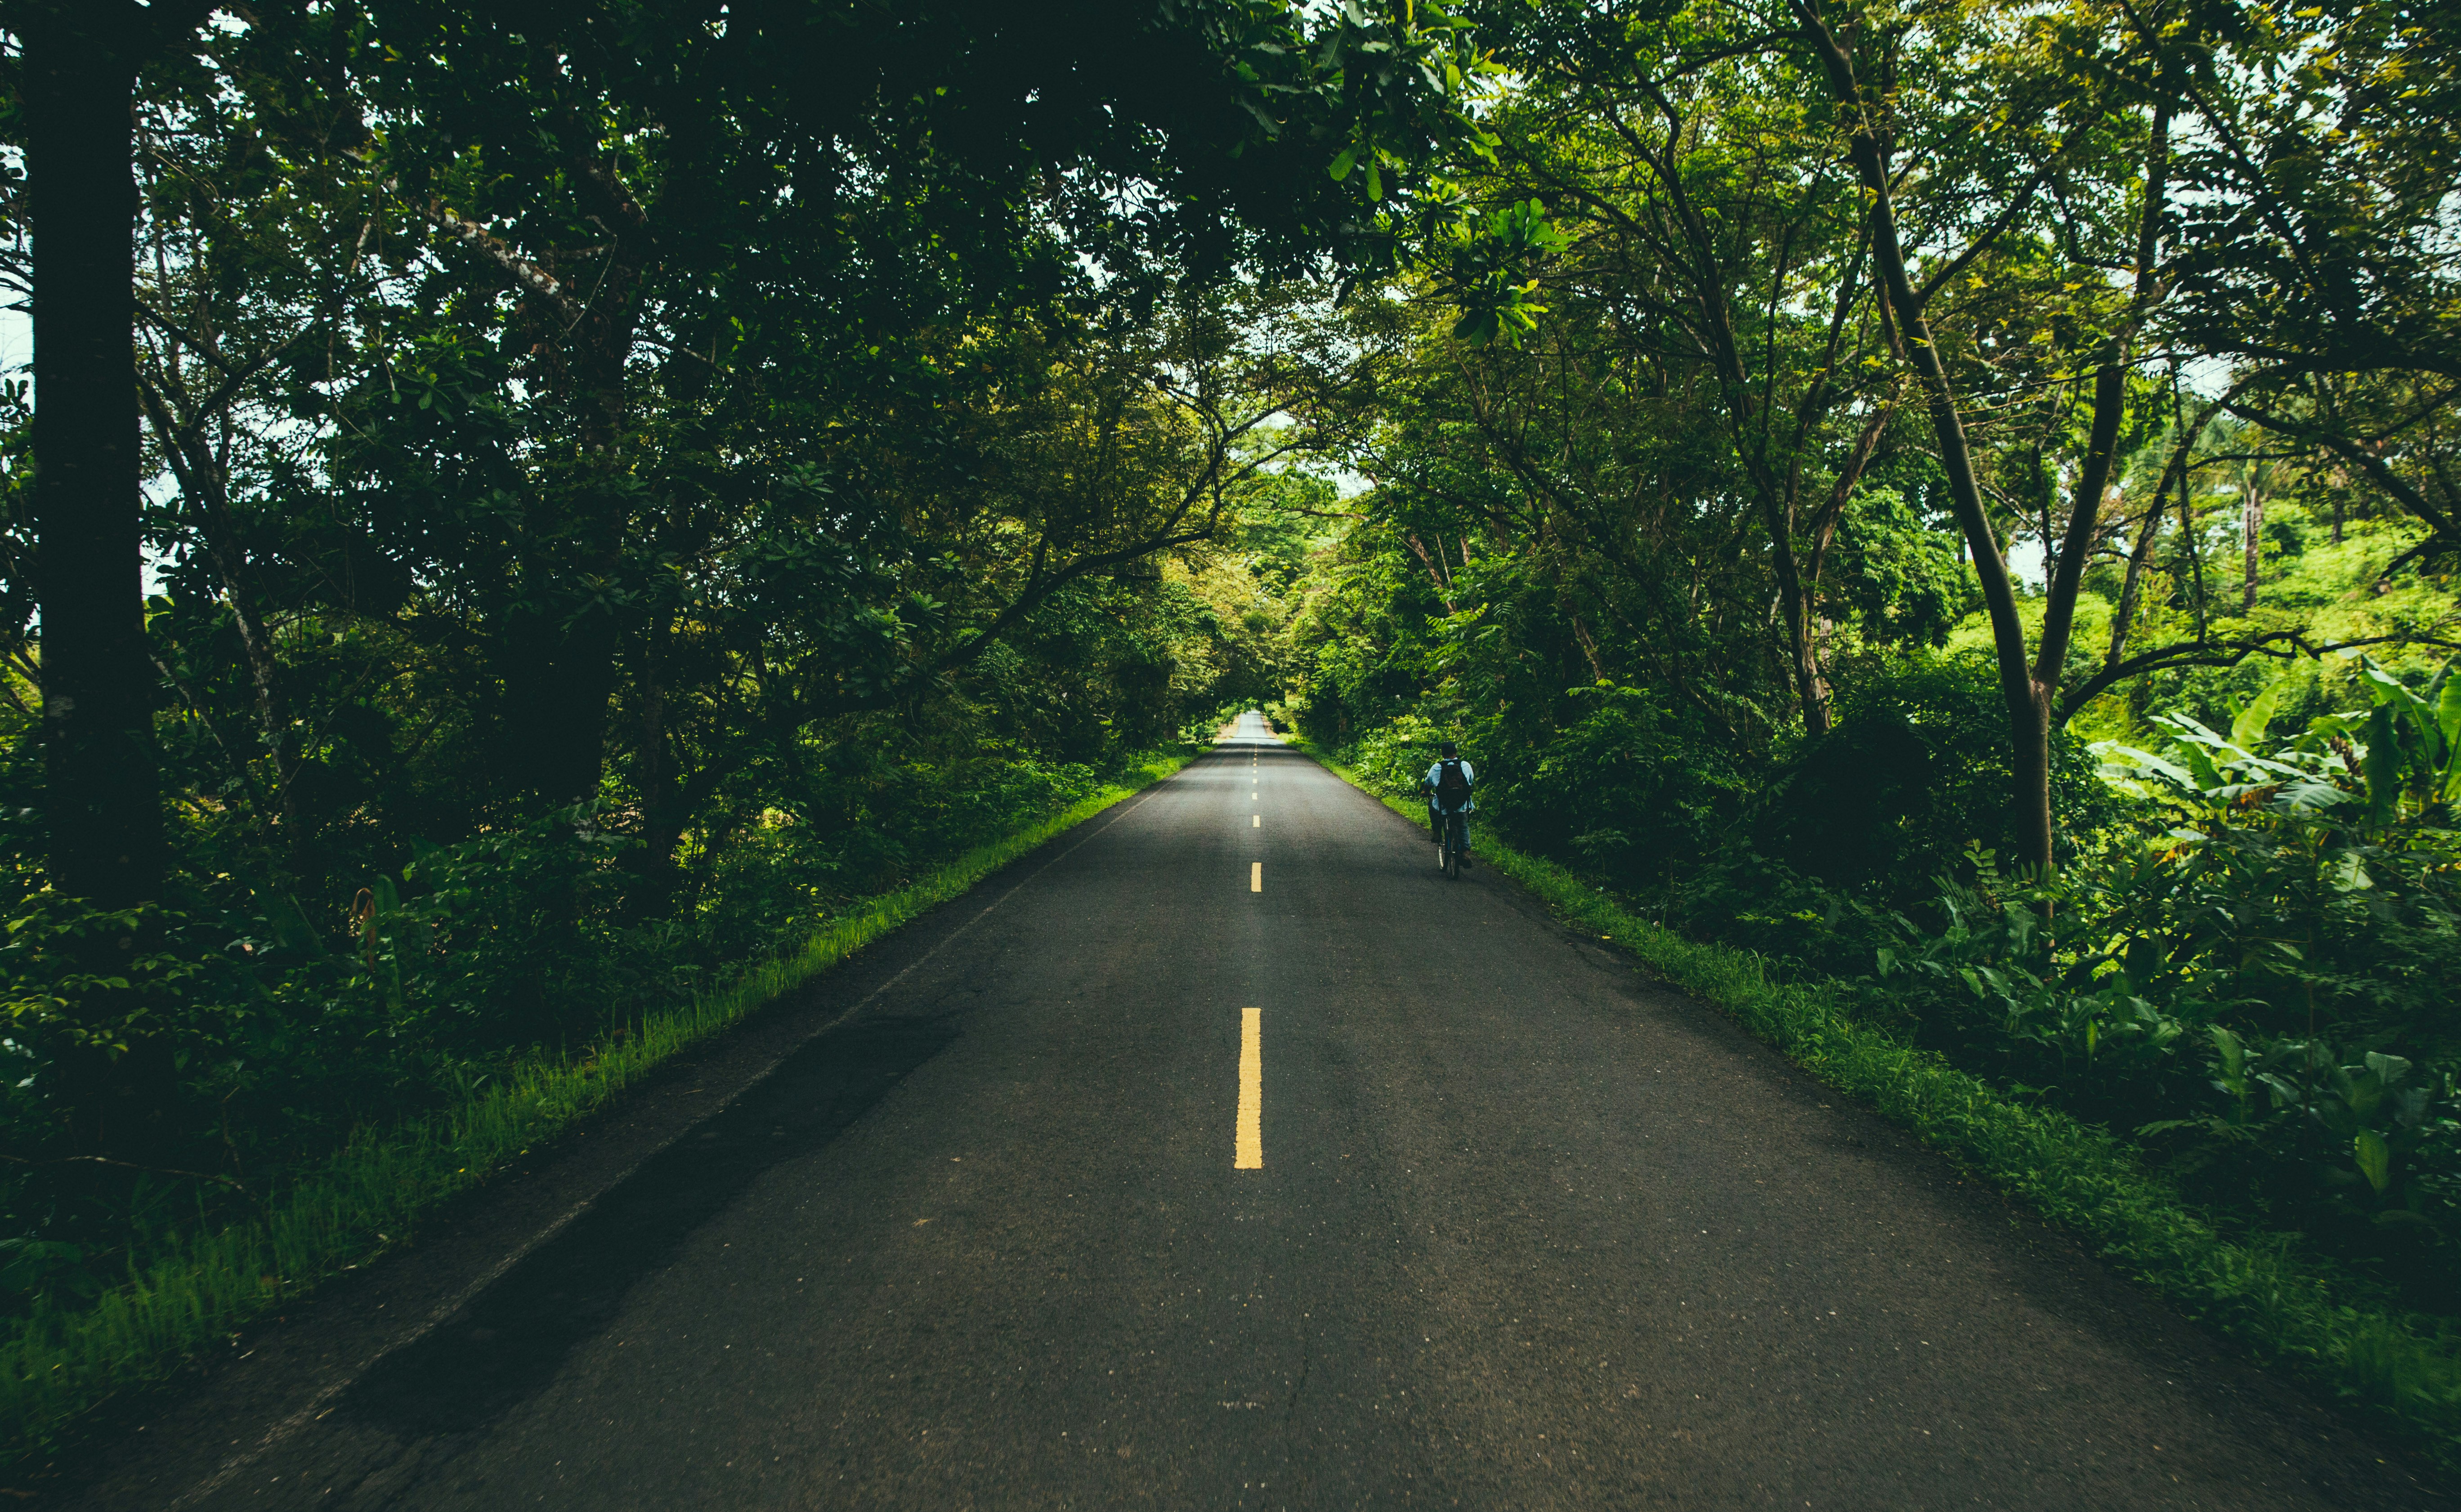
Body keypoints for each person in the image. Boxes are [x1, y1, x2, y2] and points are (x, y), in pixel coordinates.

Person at [1419, 740, 1476, 866]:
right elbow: (1470, 781)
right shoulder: (1465, 765)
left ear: (1442, 754)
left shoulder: (1437, 767)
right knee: (1463, 826)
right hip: (1461, 803)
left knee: (1431, 804)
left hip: (1443, 804)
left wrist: (1426, 792)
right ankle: (1466, 852)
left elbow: (1429, 782)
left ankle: (1437, 832)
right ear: (1456, 752)